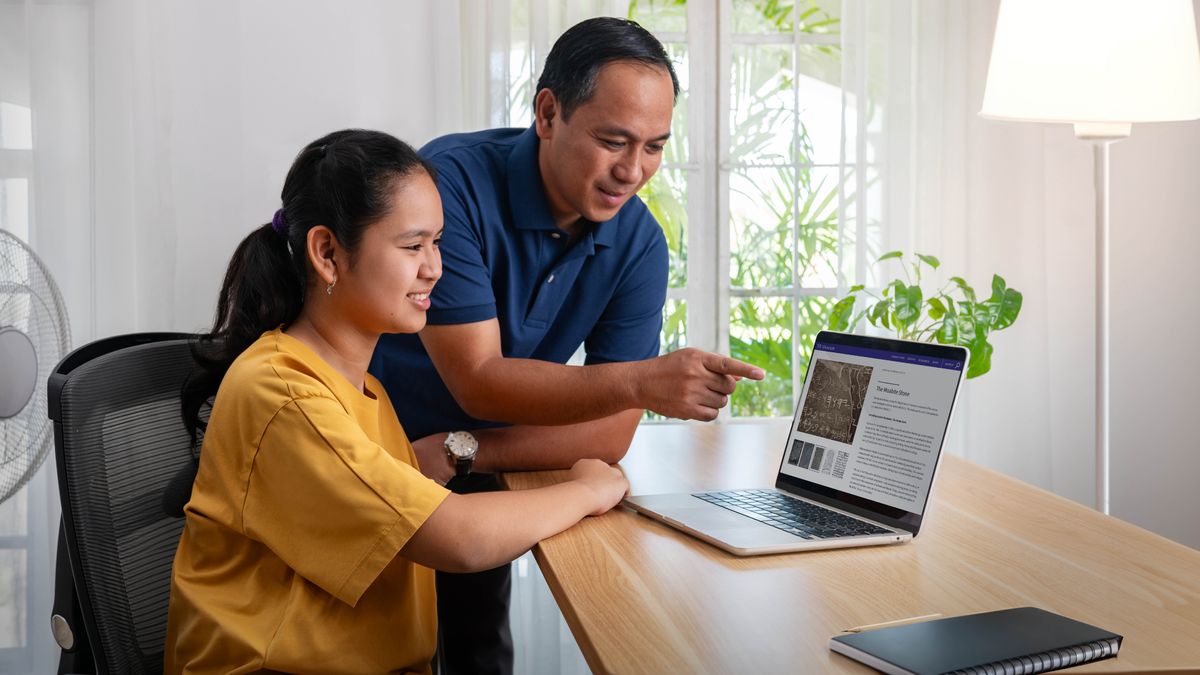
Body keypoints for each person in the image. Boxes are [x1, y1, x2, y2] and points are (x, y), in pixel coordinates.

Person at [368, 17, 764, 675]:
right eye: (613, 140)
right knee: (381, 651)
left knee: (479, 652)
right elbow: (478, 379)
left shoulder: (639, 243)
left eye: (655, 146)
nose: (633, 170)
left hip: (472, 469)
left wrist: (465, 451)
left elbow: (608, 438)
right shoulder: (449, 184)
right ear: (548, 112)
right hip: (374, 452)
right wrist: (642, 381)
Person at [163, 129, 628, 674]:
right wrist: (588, 489)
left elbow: (401, 498)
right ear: (327, 253)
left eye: (437, 243)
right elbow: (458, 538)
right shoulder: (283, 393)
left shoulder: (360, 387)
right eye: (413, 246)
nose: (434, 267)